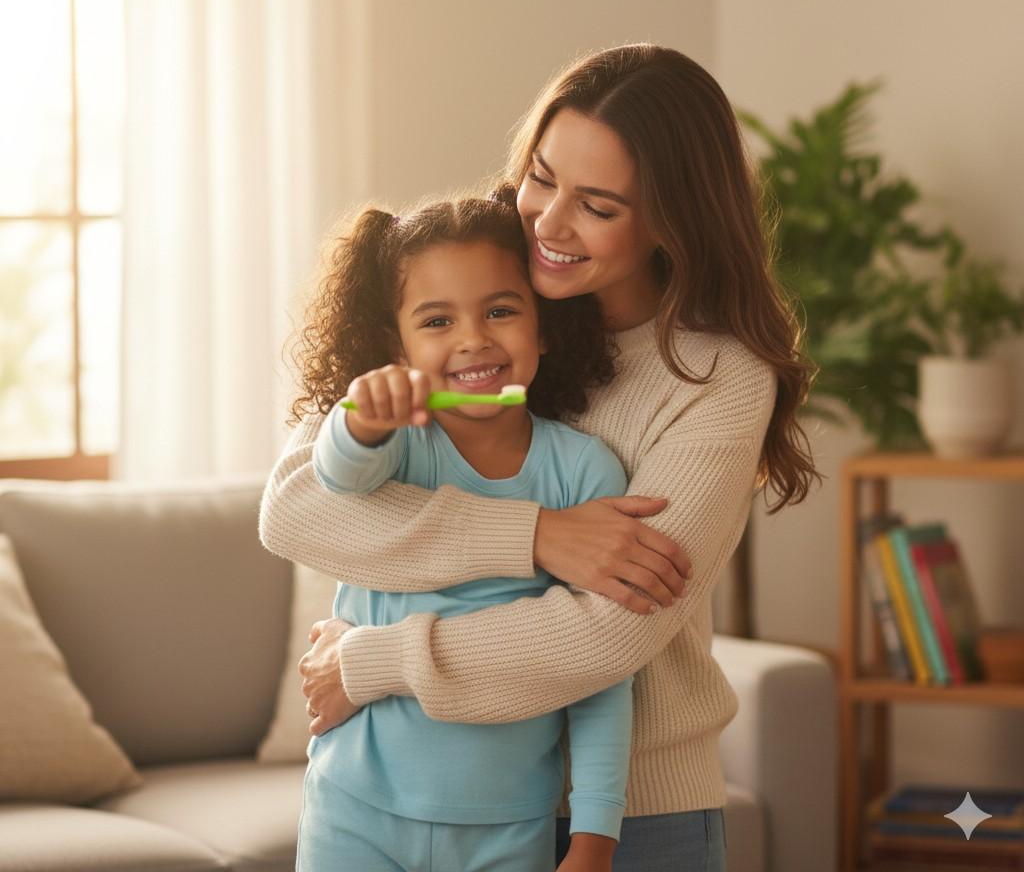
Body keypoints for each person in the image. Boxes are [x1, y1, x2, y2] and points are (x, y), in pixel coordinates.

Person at [260, 43, 820, 871]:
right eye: (542, 177)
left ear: (674, 217)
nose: (548, 224)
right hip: (424, 790)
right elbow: (300, 508)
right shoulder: (479, 293)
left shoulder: (718, 379)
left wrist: (371, 661)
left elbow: (603, 635)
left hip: (633, 820)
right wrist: (535, 536)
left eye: (596, 205)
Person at [289, 194, 637, 872]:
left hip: (508, 824)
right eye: (437, 320)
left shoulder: (584, 469)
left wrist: (596, 834)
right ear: (399, 347)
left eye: (500, 311)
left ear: (543, 328)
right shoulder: (398, 447)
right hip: (353, 807)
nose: (473, 338)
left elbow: (601, 666)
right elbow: (339, 476)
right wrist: (361, 420)